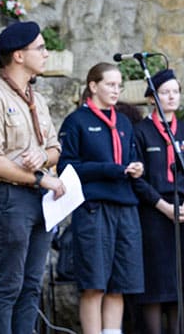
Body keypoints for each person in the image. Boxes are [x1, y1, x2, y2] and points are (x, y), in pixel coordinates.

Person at [0, 20, 65, 334]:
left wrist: (44, 157)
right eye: (40, 48)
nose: (47, 54)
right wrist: (40, 179)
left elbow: (55, 148)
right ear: (18, 56)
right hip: (8, 198)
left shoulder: (36, 99)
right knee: (7, 285)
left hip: (39, 200)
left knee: (31, 285)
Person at [58, 63, 145, 334]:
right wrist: (108, 169)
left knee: (120, 284)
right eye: (110, 84)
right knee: (94, 284)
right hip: (94, 209)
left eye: (119, 85)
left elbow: (129, 157)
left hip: (125, 206)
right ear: (93, 86)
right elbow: (66, 168)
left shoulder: (124, 121)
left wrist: (136, 167)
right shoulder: (76, 121)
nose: (116, 90)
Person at [131, 69, 184, 334]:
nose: (171, 97)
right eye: (165, 92)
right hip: (154, 211)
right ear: (152, 98)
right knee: (156, 282)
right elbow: (137, 177)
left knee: (181, 279)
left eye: (175, 91)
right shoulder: (141, 132)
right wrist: (161, 205)